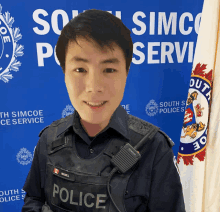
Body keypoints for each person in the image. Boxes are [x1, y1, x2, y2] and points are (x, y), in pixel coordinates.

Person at [22, 9, 186, 212]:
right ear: (64, 73)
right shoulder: (49, 139)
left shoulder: (153, 148)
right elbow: (33, 200)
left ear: (126, 73)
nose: (94, 86)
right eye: (80, 70)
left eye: (109, 70)